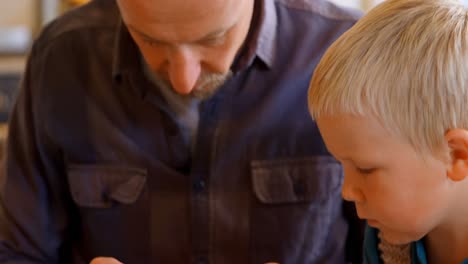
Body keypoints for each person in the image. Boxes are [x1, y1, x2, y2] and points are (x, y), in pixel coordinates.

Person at [0, 0, 363, 263]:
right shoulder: (61, 58)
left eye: (212, 39)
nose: (182, 79)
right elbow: (17, 252)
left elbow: (396, 250)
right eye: (150, 41)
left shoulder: (347, 51)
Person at [308, 0, 468, 263]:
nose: (347, 191)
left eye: (365, 169)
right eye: (342, 165)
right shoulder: (388, 240)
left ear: (456, 155)